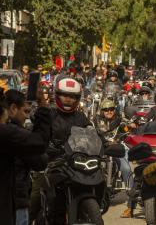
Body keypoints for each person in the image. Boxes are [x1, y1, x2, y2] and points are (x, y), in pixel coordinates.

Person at [29, 78, 92, 224]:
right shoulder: (50, 113)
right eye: (65, 95)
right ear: (57, 95)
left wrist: (105, 143)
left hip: (73, 162)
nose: (68, 99)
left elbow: (92, 132)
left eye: (72, 97)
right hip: (49, 161)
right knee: (36, 197)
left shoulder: (80, 116)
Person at [0, 83, 51, 225]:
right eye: (25, 111)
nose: (27, 116)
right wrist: (42, 105)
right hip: (13, 206)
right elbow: (39, 154)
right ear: (12, 109)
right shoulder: (9, 134)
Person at [92, 99, 134, 218]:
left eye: (111, 109)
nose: (109, 112)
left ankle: (131, 199)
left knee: (126, 169)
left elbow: (127, 127)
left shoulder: (119, 120)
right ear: (102, 111)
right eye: (106, 110)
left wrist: (130, 126)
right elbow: (88, 130)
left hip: (115, 151)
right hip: (99, 151)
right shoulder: (95, 121)